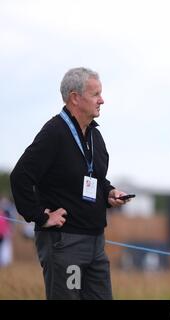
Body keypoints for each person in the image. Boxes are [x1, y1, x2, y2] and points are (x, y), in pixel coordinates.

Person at [10, 67, 131, 300]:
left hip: (96, 242)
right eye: (96, 94)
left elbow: (93, 178)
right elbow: (20, 177)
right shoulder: (54, 132)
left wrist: (109, 192)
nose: (102, 100)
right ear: (75, 98)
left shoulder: (95, 135)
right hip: (66, 245)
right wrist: (41, 216)